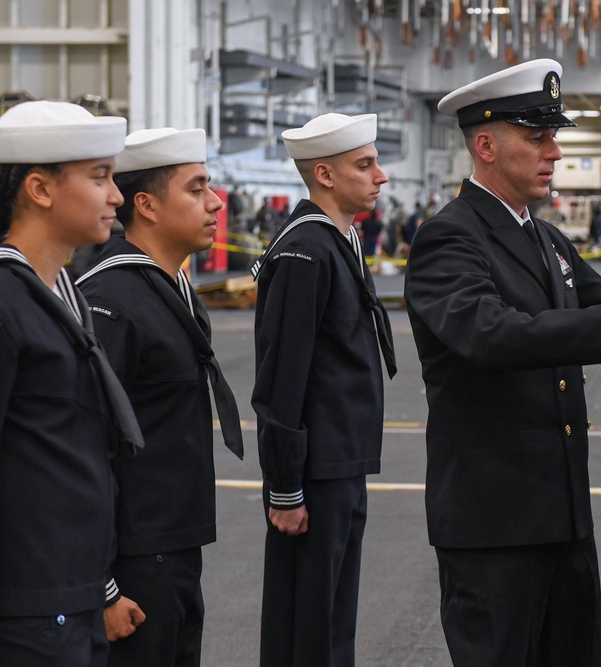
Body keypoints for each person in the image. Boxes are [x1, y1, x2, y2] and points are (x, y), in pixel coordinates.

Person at [403, 58, 601, 667]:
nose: (555, 152)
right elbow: (491, 334)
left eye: (553, 136)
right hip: (493, 528)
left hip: (561, 519)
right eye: (537, 137)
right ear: (486, 145)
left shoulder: (546, 239)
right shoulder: (448, 238)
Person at [0, 101, 139, 667]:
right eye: (99, 176)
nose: (116, 195)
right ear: (40, 189)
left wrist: (102, 587)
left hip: (71, 604)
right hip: (22, 624)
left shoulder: (62, 293)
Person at [75, 127, 246, 666]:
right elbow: (87, 449)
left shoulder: (168, 287)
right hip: (132, 558)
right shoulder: (113, 299)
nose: (215, 202)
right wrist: (101, 584)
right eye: (196, 189)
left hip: (171, 546)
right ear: (145, 206)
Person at [251, 112, 397, 667]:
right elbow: (280, 381)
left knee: (333, 621)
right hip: (313, 471)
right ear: (325, 175)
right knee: (306, 626)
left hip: (343, 461)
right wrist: (285, 488)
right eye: (365, 164)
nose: (380, 175)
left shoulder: (340, 239)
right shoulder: (304, 251)